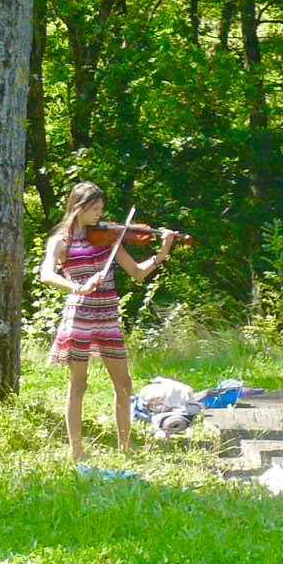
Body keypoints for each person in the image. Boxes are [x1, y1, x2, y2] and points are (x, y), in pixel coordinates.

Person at [38, 182, 177, 463]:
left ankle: (125, 445)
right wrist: (79, 286)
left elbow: (137, 273)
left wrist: (163, 252)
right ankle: (77, 450)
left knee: (124, 383)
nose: (99, 215)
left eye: (101, 209)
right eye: (94, 209)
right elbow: (46, 275)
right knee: (79, 383)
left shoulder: (109, 238)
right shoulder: (61, 241)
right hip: (80, 314)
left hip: (107, 314)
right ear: (78, 207)